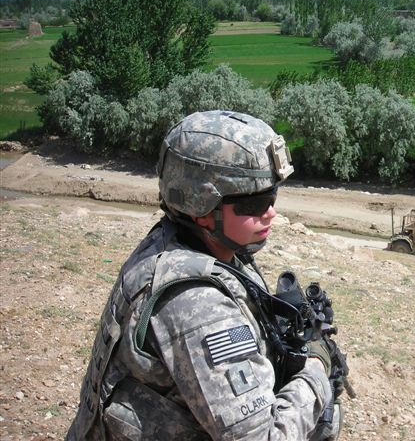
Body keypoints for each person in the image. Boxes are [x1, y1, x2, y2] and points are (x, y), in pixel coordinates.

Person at [66, 110, 341, 440]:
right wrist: (316, 367)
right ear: (202, 205)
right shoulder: (196, 302)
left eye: (273, 196)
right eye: (256, 202)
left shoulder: (179, 243)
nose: (271, 212)